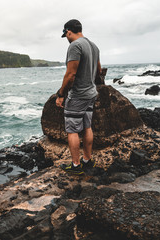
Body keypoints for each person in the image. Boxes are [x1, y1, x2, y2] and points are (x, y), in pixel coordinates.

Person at [55, 19, 101, 175]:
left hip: (78, 95)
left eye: (66, 35)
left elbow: (70, 74)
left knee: (72, 130)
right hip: (91, 94)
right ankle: (87, 161)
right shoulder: (94, 46)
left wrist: (61, 94)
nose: (66, 38)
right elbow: (99, 70)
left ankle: (75, 166)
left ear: (68, 31)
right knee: (87, 127)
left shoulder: (75, 46)